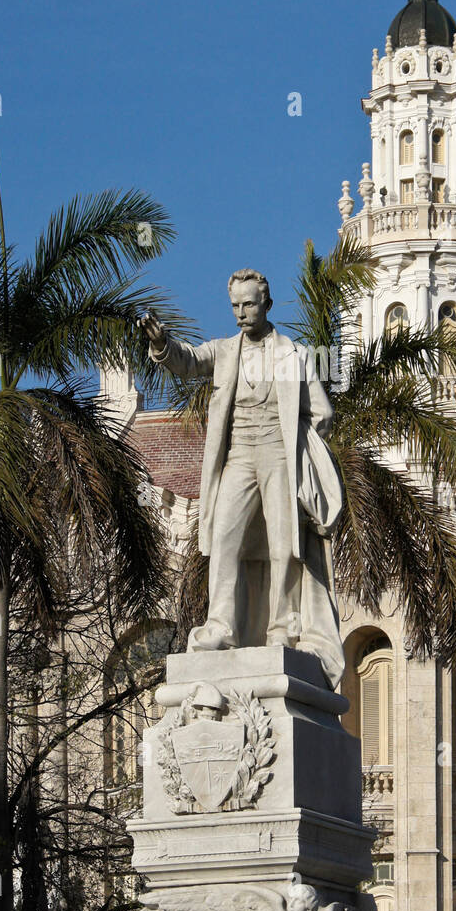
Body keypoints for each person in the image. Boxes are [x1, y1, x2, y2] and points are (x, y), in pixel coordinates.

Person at [139, 269, 345, 688]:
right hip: (238, 455)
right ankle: (221, 626)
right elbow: (187, 361)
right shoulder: (224, 351)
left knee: (284, 541)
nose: (240, 314)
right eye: (234, 306)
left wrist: (298, 448)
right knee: (223, 538)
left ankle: (282, 626)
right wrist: (160, 344)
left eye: (248, 305)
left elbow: (322, 415)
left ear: (266, 304)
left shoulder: (294, 355)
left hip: (279, 453)